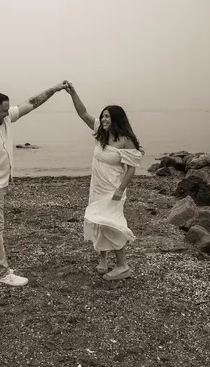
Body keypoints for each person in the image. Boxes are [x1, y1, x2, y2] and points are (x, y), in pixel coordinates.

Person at [0, 82, 69, 286]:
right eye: (4, 111)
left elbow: (31, 103)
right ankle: (3, 273)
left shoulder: (3, 118)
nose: (7, 114)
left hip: (0, 183)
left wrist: (55, 89)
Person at [65, 81, 143, 280]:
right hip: (97, 188)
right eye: (103, 115)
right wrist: (73, 93)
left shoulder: (125, 140)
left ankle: (123, 266)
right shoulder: (100, 132)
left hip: (113, 189)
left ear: (116, 119)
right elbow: (83, 113)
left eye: (107, 116)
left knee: (111, 225)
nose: (103, 119)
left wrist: (120, 190)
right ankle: (103, 259)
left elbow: (131, 168)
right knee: (98, 222)